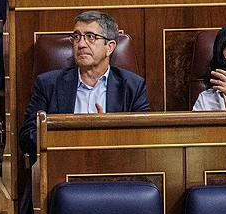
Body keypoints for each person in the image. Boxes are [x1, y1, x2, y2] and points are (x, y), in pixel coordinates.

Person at [19, 11, 149, 160]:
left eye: (90, 37)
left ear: (110, 47)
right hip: (62, 168)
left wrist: (109, 132)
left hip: (114, 169)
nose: (81, 44)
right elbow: (27, 137)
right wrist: (72, 139)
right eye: (76, 37)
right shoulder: (48, 84)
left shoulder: (133, 86)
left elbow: (143, 139)